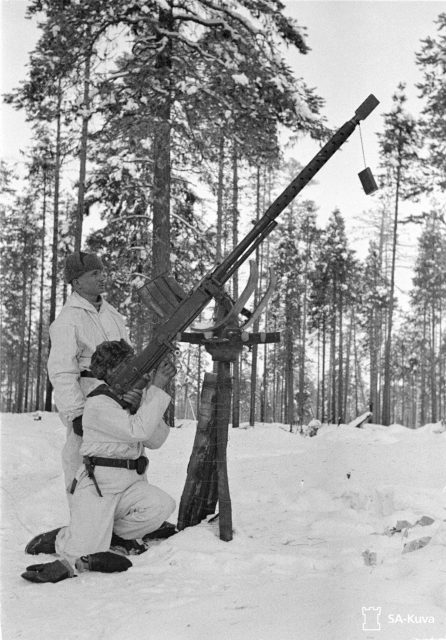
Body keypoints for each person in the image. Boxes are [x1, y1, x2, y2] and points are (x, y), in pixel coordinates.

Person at [25, 251, 168, 556]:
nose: (102, 277)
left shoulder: (113, 314)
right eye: (94, 274)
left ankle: (124, 528)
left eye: (102, 271)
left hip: (122, 392)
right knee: (83, 469)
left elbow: (125, 352)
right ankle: (78, 532)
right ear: (75, 282)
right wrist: (75, 413)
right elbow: (62, 371)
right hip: (91, 400)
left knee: (129, 460)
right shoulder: (67, 320)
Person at [22, 340, 176, 584]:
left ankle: (108, 534)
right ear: (111, 370)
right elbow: (138, 431)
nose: (133, 369)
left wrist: (143, 403)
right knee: (81, 552)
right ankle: (64, 536)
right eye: (126, 364)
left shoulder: (130, 399)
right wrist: (156, 389)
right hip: (99, 487)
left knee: (161, 506)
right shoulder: (98, 403)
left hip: (130, 484)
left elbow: (156, 439)